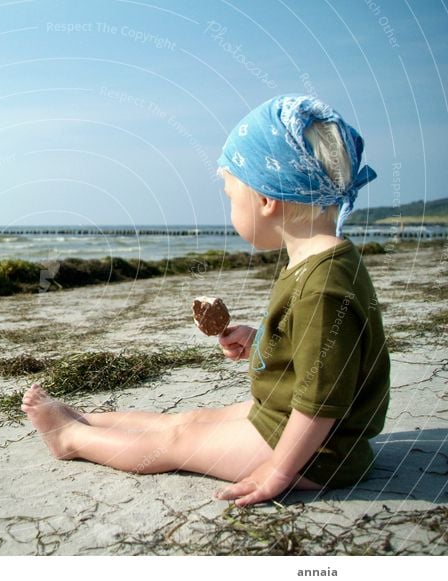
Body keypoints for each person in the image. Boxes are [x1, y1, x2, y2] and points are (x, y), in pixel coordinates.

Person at [21, 95, 390, 506]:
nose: (230, 207)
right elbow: (316, 349)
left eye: (232, 195)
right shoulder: (321, 261)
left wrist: (278, 471)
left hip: (315, 453)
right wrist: (259, 340)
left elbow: (322, 399)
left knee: (181, 441)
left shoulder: (324, 285)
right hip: (287, 420)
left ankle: (71, 438)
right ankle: (86, 419)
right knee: (189, 420)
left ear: (267, 201)